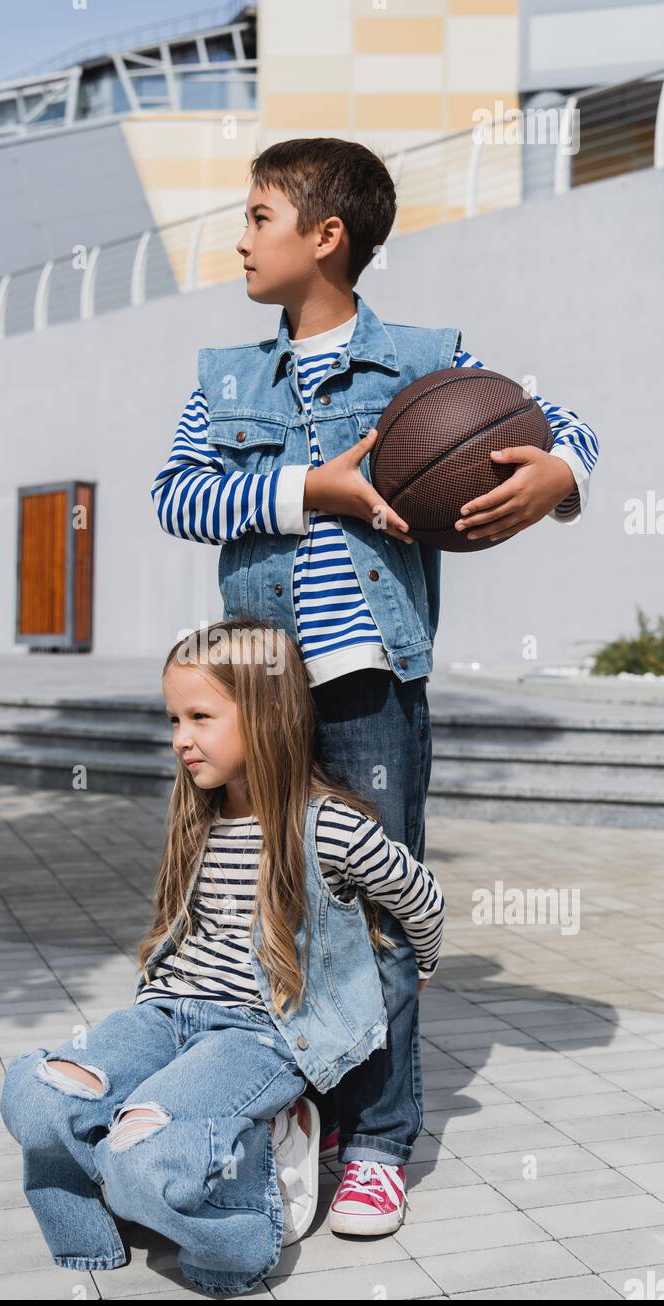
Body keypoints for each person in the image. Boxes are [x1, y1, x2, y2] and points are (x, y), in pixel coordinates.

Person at [151, 136, 599, 1235]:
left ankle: (379, 1143)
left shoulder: (427, 361)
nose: (241, 237)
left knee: (381, 917)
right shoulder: (224, 377)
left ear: (326, 236)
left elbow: (567, 425)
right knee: (262, 913)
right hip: (259, 691)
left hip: (370, 688)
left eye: (259, 216)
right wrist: (317, 486)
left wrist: (556, 475)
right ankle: (290, 1114)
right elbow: (177, 496)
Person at [0, 619, 445, 1297]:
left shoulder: (327, 826)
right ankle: (108, 1215)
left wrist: (422, 961)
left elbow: (420, 895)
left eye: (200, 716)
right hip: (165, 1014)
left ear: (268, 718)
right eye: (174, 717)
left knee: (142, 1149)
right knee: (36, 1095)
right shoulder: (197, 816)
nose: (181, 737)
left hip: (258, 1032)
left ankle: (239, 1221)